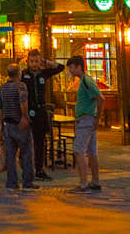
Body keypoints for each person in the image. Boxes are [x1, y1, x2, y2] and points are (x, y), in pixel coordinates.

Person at [22, 52, 64, 182]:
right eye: (32, 61)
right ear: (28, 62)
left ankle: (39, 170)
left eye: (36, 61)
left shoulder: (44, 74)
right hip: (27, 111)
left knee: (40, 142)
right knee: (25, 142)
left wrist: (46, 61)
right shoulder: (23, 74)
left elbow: (61, 67)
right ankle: (27, 169)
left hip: (40, 112)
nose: (34, 64)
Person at [65, 55, 102, 193]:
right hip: (89, 119)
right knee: (91, 152)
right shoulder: (84, 81)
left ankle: (83, 184)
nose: (70, 70)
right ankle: (95, 181)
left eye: (72, 67)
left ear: (79, 67)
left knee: (79, 150)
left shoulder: (86, 81)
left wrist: (97, 118)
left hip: (86, 120)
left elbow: (100, 98)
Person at [0, 63, 34, 191]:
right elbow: (23, 103)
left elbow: (0, 108)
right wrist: (25, 117)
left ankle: (11, 183)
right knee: (26, 153)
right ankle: (27, 182)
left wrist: (1, 125)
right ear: (19, 73)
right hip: (19, 124)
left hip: (8, 125)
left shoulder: (2, 88)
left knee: (10, 156)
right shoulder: (21, 86)